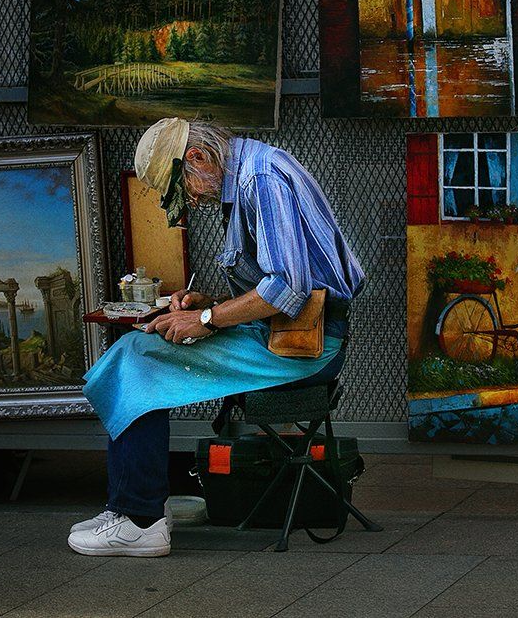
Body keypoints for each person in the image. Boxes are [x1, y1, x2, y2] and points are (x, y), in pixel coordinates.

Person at [68, 119, 364, 557]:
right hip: (285, 331)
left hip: (308, 346)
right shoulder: (252, 170)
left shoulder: (260, 179)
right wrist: (212, 303)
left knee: (138, 358)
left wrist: (207, 319)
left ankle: (140, 520)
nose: (191, 200)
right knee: (136, 350)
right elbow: (278, 286)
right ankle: (131, 506)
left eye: (183, 188)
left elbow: (289, 287)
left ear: (197, 157)